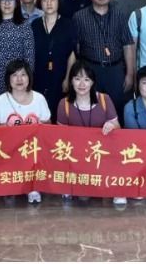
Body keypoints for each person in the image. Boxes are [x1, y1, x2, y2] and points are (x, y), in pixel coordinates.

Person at [56, 61, 124, 206]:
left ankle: (116, 189)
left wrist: (111, 125)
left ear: (93, 82)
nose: (82, 84)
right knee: (83, 196)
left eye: (86, 79)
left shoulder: (104, 100)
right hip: (76, 157)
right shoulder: (64, 104)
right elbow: (60, 138)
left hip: (102, 155)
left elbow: (118, 128)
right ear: (71, 81)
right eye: (77, 79)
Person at [0, 59, 52, 204]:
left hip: (33, 151)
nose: (19, 79)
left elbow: (49, 126)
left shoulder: (39, 99)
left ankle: (33, 187)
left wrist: (37, 126)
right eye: (14, 75)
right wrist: (6, 128)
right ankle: (10, 185)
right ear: (8, 79)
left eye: (23, 75)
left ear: (29, 78)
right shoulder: (0, 101)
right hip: (9, 150)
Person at [73, 0, 135, 118]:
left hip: (115, 70)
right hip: (90, 71)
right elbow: (76, 47)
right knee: (91, 109)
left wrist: (130, 74)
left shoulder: (120, 15)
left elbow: (128, 45)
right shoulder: (79, 17)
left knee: (117, 108)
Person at [31, 0, 77, 121]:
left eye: (52, 0)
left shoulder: (68, 24)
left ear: (58, 2)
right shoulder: (35, 25)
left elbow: (72, 54)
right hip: (39, 76)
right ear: (40, 3)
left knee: (59, 111)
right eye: (45, 0)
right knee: (39, 113)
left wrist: (67, 78)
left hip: (60, 76)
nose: (49, 3)